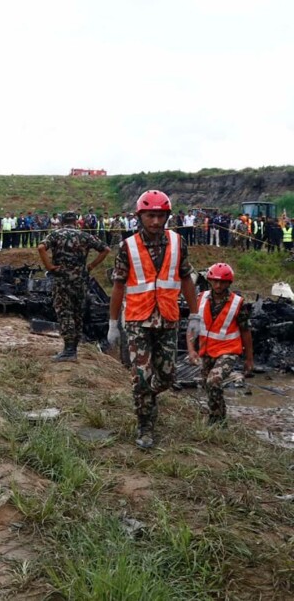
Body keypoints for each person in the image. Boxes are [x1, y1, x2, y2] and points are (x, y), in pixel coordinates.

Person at [107, 190, 199, 450]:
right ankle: (145, 426)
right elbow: (118, 285)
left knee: (168, 376)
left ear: (167, 217)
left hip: (168, 319)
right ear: (140, 217)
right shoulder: (128, 247)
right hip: (137, 320)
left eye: (160, 216)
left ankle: (144, 393)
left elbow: (186, 279)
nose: (156, 222)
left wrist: (194, 315)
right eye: (150, 216)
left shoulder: (179, 243)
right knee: (141, 375)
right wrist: (113, 324)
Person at [186, 263, 253, 426]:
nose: (218, 285)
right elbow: (192, 327)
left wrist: (249, 359)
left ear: (229, 283)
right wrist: (191, 350)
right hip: (206, 350)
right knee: (207, 384)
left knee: (213, 380)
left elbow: (246, 331)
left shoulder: (238, 303)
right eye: (215, 281)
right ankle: (218, 416)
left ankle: (217, 421)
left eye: (222, 282)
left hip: (229, 350)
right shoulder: (200, 299)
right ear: (209, 280)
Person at [38, 211, 110, 361]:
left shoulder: (56, 234)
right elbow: (105, 249)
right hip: (80, 279)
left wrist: (50, 267)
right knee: (77, 312)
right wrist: (90, 266)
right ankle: (74, 347)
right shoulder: (84, 236)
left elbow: (41, 248)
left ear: (62, 221)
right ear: (76, 222)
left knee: (65, 312)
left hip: (62, 278)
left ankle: (69, 350)